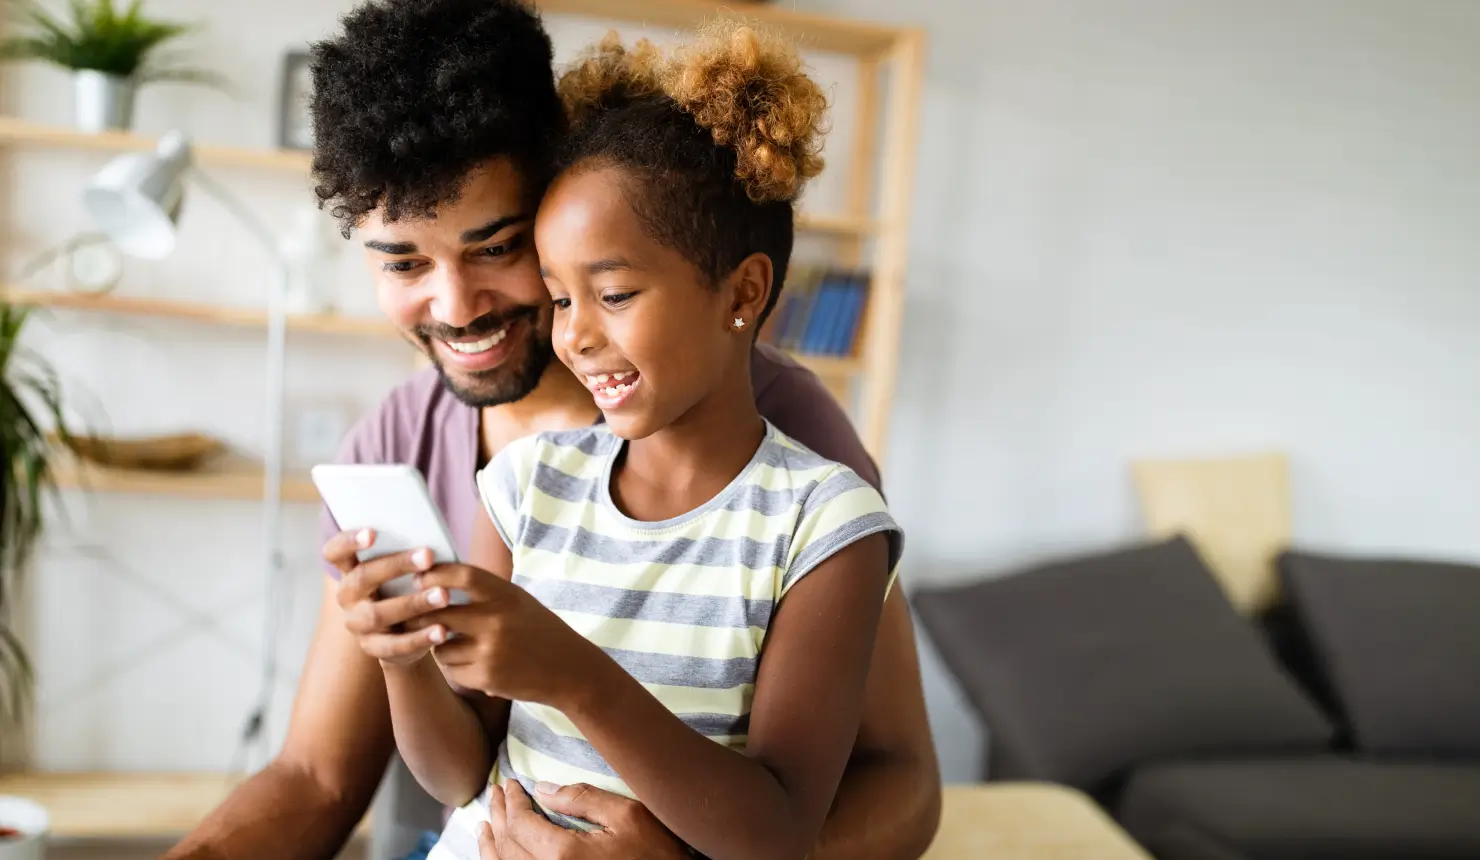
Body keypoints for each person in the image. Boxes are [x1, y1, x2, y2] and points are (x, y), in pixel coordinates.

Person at [160, 2, 940, 859]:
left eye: (495, 247)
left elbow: (894, 784)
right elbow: (324, 775)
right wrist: (400, 656)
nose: (455, 309)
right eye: (404, 262)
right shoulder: (451, 459)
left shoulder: (791, 450)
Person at [355, 23, 902, 860]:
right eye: (560, 299)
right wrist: (401, 661)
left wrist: (575, 678)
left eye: (612, 294)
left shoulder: (823, 528)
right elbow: (460, 772)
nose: (573, 338)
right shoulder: (525, 486)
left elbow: (780, 835)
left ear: (743, 292)